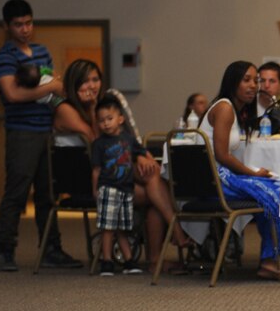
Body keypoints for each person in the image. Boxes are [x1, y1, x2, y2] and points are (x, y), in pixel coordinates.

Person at [53, 59, 193, 271]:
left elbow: (122, 141)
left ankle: (164, 249)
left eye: (95, 79)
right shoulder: (65, 109)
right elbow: (97, 141)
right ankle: (174, 236)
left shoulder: (107, 104)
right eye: (85, 81)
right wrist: (92, 108)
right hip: (90, 180)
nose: (92, 86)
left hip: (114, 173)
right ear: (74, 84)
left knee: (152, 176)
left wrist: (142, 157)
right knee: (156, 194)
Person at [0, 0, 82, 272]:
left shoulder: (42, 51)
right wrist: (51, 87)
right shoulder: (5, 56)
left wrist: (57, 91)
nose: (25, 29)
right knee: (17, 193)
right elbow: (12, 94)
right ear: (8, 27)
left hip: (47, 131)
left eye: (29, 23)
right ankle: (5, 250)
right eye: (19, 24)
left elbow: (54, 88)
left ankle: (51, 250)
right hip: (22, 133)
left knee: (48, 193)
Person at [199, 60, 280, 282]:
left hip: (217, 177)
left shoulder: (233, 109)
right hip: (215, 180)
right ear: (233, 82)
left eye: (256, 80)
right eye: (247, 80)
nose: (254, 85)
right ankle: (274, 259)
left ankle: (272, 258)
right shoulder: (224, 108)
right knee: (275, 192)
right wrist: (253, 174)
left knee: (271, 191)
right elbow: (222, 156)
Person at [91, 95, 145, 276]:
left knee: (123, 228)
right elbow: (96, 169)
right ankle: (106, 261)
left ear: (120, 119)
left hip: (126, 189)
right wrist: (95, 188)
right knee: (108, 228)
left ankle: (128, 261)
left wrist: (149, 160)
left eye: (109, 119)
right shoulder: (99, 144)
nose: (105, 124)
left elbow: (141, 151)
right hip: (108, 188)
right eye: (101, 121)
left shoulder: (128, 139)